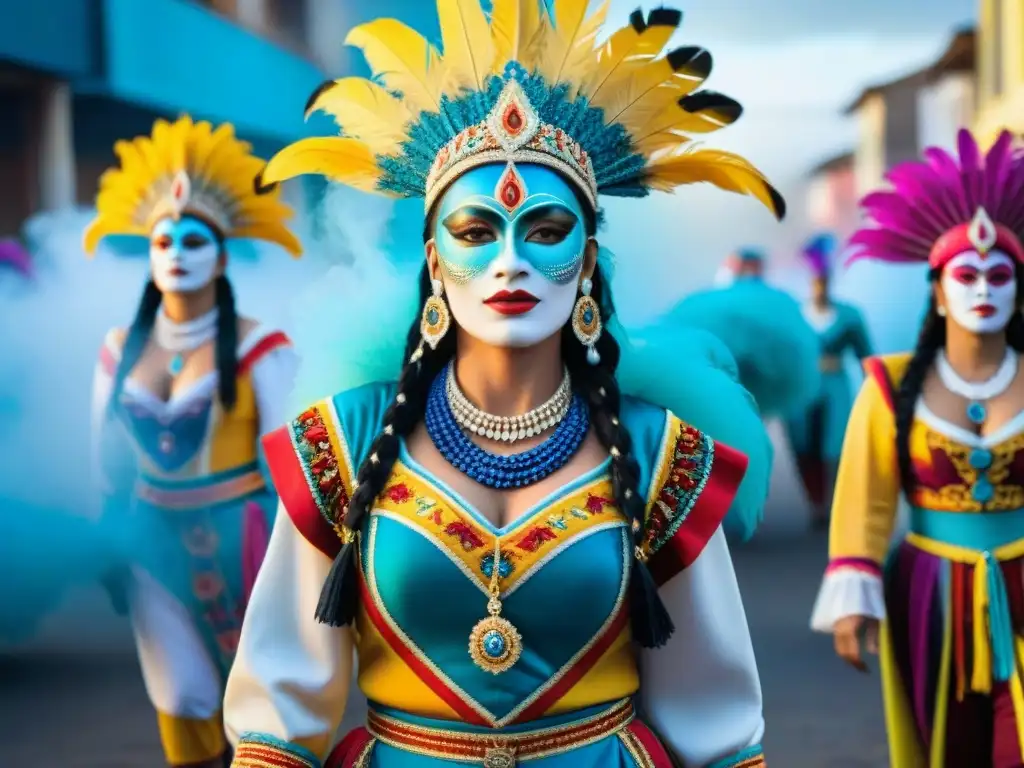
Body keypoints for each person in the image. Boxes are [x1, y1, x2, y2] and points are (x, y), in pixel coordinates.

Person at [224, 2, 783, 766]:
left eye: (547, 231)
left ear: (588, 262)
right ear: (433, 262)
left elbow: (713, 715)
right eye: (476, 232)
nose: (509, 262)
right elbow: (281, 710)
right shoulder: (348, 441)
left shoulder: (658, 452)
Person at [85, 115, 303, 768]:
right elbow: (102, 461)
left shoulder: (263, 345)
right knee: (178, 690)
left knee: (258, 685)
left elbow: (291, 455)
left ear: (224, 254)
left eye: (194, 238)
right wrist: (107, 533)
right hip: (150, 536)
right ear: (148, 256)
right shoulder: (118, 349)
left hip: (249, 536)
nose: (176, 252)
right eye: (163, 240)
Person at [811, 129, 1024, 767]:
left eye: (999, 274)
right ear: (937, 290)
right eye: (966, 274)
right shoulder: (889, 384)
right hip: (928, 587)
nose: (983, 288)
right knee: (945, 745)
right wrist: (855, 594)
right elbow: (864, 501)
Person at [667, 246, 821, 425]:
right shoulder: (787, 304)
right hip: (773, 407)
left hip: (713, 407)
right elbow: (809, 361)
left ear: (735, 266)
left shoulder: (702, 302)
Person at [784, 233, 872, 528]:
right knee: (803, 444)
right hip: (803, 387)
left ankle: (835, 501)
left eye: (824, 279)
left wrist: (877, 394)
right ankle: (815, 501)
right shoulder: (793, 315)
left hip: (835, 383)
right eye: (815, 280)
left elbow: (866, 356)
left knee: (834, 444)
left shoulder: (849, 316)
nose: (820, 286)